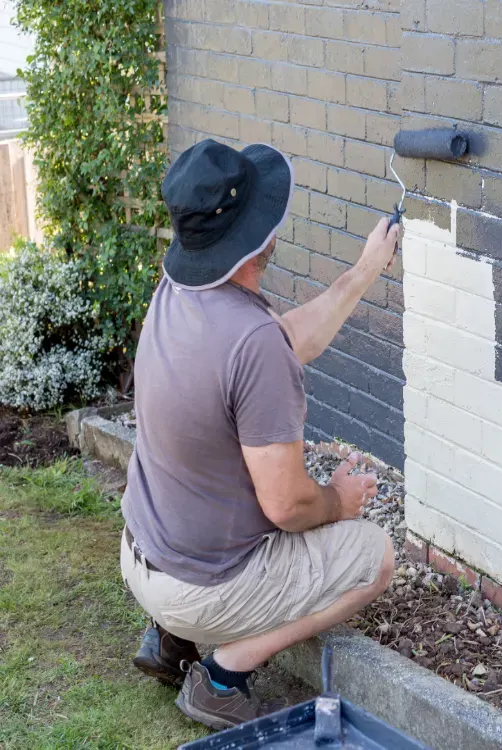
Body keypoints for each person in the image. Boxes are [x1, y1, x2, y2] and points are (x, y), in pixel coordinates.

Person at [119, 138, 399, 730]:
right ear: (257, 234)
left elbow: (286, 341)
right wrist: (338, 501)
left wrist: (365, 269)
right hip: (198, 586)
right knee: (374, 557)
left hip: (144, 555)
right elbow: (288, 505)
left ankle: (169, 640)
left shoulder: (181, 294)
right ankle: (223, 679)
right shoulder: (252, 343)